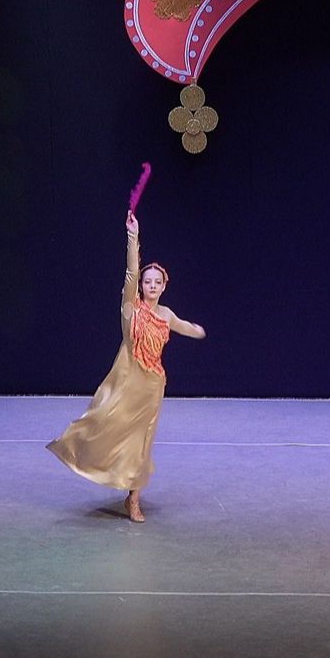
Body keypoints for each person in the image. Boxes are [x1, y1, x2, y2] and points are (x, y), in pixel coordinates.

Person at [48, 210, 205, 522]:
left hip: (152, 388)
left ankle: (133, 499)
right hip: (125, 386)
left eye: (157, 282)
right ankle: (81, 453)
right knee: (104, 428)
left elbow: (183, 326)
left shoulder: (166, 315)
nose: (152, 285)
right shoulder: (131, 309)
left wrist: (197, 331)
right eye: (147, 281)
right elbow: (131, 271)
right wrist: (133, 236)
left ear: (164, 286)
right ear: (141, 286)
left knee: (141, 445)